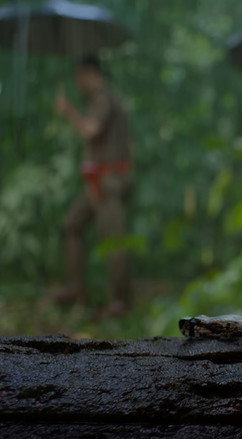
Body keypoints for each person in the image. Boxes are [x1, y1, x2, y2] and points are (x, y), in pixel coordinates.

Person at [50, 54, 133, 317]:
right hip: (97, 181)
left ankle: (121, 301)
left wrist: (69, 112)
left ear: (90, 73)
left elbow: (90, 129)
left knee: (113, 239)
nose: (77, 82)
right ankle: (77, 289)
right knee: (72, 224)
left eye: (79, 75)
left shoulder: (104, 98)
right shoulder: (100, 98)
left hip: (110, 181)